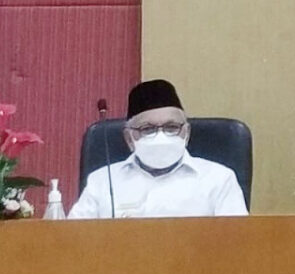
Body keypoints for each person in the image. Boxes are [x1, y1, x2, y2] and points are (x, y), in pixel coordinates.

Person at [68, 79, 248, 218]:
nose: (161, 136)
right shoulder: (102, 181)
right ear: (129, 138)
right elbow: (73, 240)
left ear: (186, 133)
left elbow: (238, 242)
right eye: (148, 129)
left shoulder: (219, 179)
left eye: (171, 127)